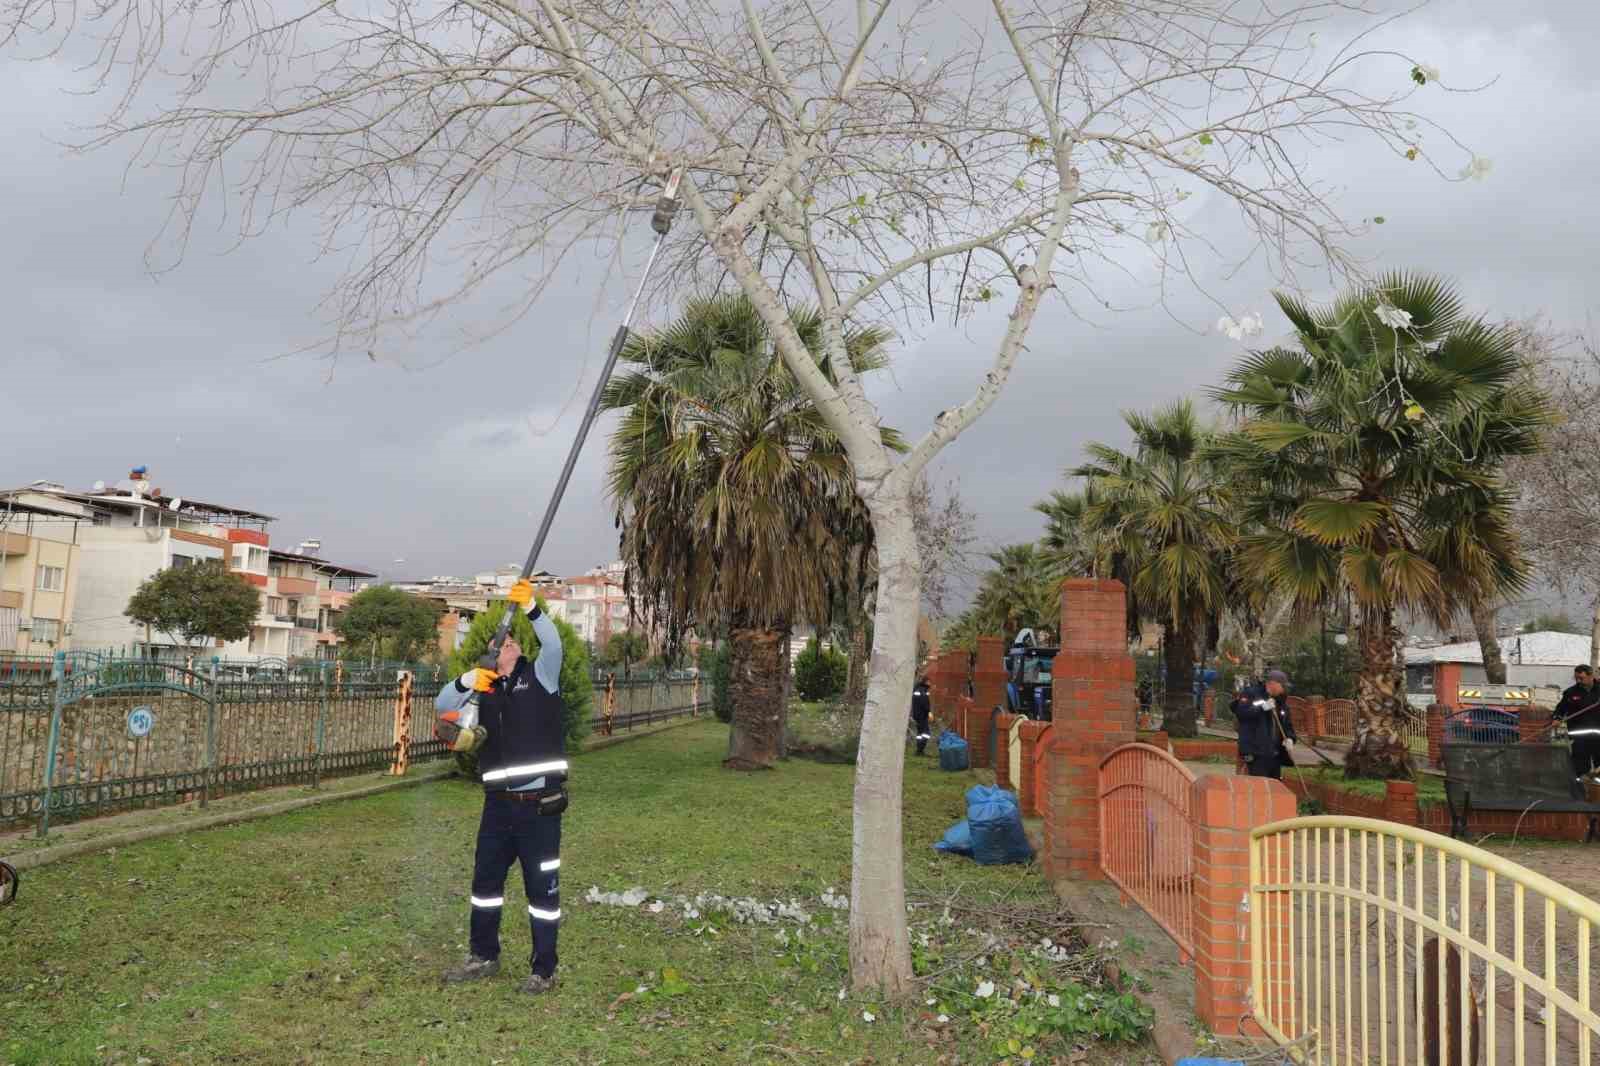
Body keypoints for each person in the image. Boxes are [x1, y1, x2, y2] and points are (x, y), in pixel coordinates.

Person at [435, 579, 567, 994]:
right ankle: (483, 956)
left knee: (541, 890)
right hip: (497, 808)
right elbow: (443, 710)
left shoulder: (541, 675)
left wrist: (531, 608)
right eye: (501, 640)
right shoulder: (483, 691)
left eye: (511, 639)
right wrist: (467, 681)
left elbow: (555, 645)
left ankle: (543, 969)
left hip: (539, 806)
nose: (507, 641)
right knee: (485, 885)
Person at [1232, 669, 1298, 780]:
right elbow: (1241, 713)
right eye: (1283, 686)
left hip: (1274, 755)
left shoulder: (1281, 702)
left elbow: (1287, 725)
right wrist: (1262, 708)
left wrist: (1290, 738)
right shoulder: (1251, 694)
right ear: (1273, 684)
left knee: (1274, 788)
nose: (1284, 689)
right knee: (1259, 787)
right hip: (1256, 753)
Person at [1558, 664, 1600, 781]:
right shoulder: (1571, 692)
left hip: (1598, 735)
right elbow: (1561, 708)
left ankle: (1596, 789)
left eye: (1581, 678)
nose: (1578, 681)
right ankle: (1581, 788)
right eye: (1576, 678)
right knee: (1580, 765)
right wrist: (1557, 718)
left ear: (1591, 676)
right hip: (1579, 737)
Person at [910, 678, 932, 755]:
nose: (930, 683)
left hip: (917, 714)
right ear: (926, 682)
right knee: (926, 733)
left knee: (920, 733)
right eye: (929, 682)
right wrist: (929, 712)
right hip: (922, 715)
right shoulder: (923, 690)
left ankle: (919, 750)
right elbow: (924, 703)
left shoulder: (917, 689)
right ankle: (920, 750)